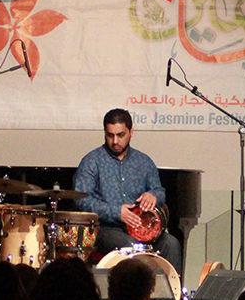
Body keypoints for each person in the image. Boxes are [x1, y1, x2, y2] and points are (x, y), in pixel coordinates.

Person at [74, 108, 182, 273]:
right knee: (132, 246)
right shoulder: (91, 161)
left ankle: (172, 296)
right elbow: (82, 199)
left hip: (143, 228)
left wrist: (153, 195)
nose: (115, 141)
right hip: (106, 228)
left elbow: (160, 191)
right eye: (110, 135)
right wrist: (117, 212)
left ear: (131, 132)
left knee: (172, 244)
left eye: (120, 135)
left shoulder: (144, 162)